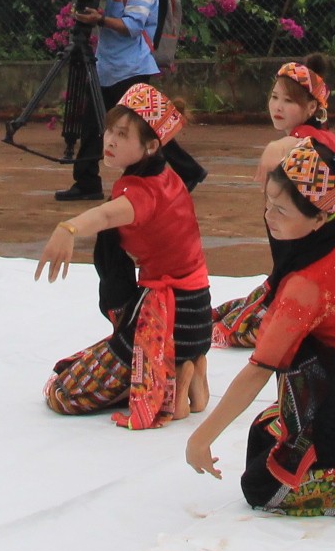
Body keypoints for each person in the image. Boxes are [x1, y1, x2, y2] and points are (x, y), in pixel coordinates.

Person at [186, 142, 335, 521]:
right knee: (263, 436)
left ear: (317, 219)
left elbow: (258, 369)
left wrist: (202, 438)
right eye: (267, 201)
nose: (269, 216)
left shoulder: (309, 284)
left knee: (263, 485)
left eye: (281, 210)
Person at [38, 84, 211, 428]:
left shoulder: (143, 192)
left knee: (63, 392)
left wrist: (68, 228)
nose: (110, 141)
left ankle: (172, 380)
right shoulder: (165, 172)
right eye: (109, 131)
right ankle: (190, 368)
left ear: (149, 145)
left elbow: (105, 216)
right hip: (197, 307)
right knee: (72, 366)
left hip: (168, 314)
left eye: (121, 134)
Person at [212, 59, 335, 350]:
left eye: (288, 101)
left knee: (234, 330)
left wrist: (275, 147)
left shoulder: (314, 143)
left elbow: (301, 144)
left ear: (312, 108)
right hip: (295, 267)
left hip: (311, 274)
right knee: (222, 315)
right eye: (274, 97)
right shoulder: (315, 139)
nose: (278, 106)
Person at [60, 0, 186, 203]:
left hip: (130, 70)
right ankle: (87, 183)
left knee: (141, 129)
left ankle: (184, 174)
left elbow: (132, 26)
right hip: (107, 68)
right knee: (93, 124)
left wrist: (100, 20)